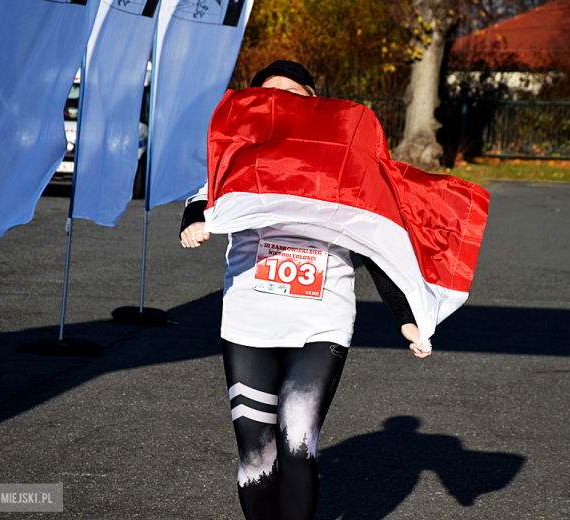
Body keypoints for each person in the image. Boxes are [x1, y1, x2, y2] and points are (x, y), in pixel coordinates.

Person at [180, 60, 430, 520]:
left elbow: (377, 238)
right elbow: (203, 198)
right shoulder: (237, 157)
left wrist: (407, 317)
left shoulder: (344, 165)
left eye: (292, 94)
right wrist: (194, 222)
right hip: (249, 322)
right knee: (258, 454)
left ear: (314, 102)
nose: (280, 104)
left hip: (321, 322)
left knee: (298, 443)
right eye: (268, 96)